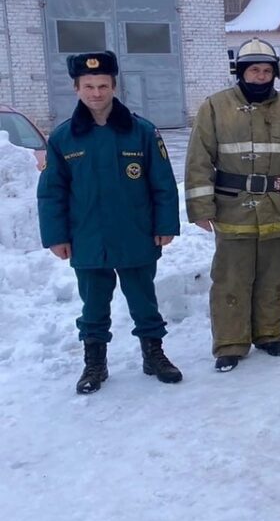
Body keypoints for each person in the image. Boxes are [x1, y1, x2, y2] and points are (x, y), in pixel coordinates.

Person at [37, 50, 182, 393]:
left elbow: (162, 183)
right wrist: (56, 236)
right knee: (93, 305)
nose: (96, 93)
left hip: (136, 234)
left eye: (103, 85)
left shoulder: (142, 132)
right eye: (89, 86)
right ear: (77, 88)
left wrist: (165, 225)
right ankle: (94, 363)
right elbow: (52, 193)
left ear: (114, 86)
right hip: (88, 238)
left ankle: (154, 354)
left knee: (144, 300)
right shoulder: (63, 139)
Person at [185, 38, 280, 371]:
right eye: (254, 70)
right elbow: (198, 160)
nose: (260, 76)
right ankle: (230, 343)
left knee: (274, 277)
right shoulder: (215, 107)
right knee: (231, 279)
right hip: (232, 209)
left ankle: (269, 334)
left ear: (275, 73)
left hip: (278, 209)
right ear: (241, 72)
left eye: (266, 70)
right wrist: (201, 207)